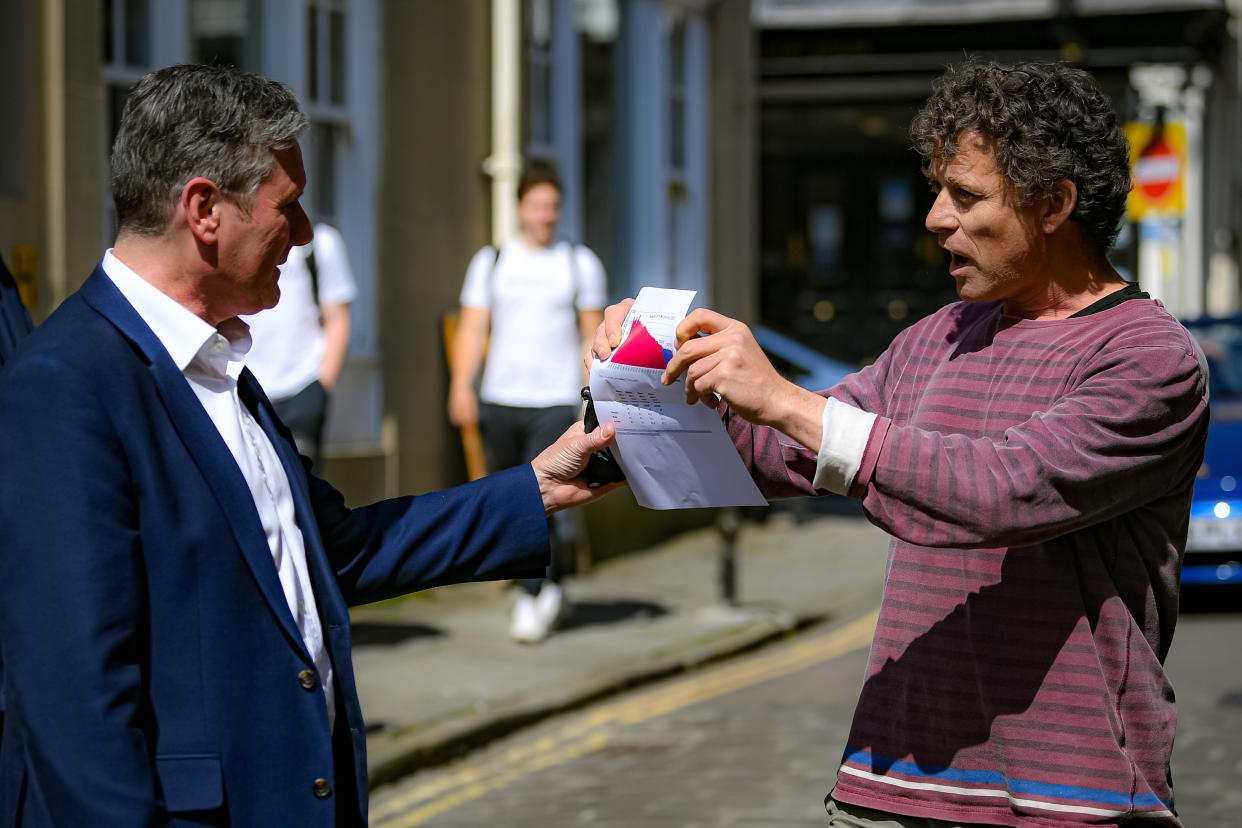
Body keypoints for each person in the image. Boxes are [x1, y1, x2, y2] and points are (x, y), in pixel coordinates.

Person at [0, 63, 618, 828]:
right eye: (286, 208)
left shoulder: (219, 365)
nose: (300, 236)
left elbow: (334, 550)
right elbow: (75, 705)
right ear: (204, 210)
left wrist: (538, 488)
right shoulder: (64, 383)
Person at [595, 60, 1208, 827]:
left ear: (1055, 204)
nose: (935, 218)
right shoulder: (936, 338)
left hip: (1064, 801)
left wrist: (783, 400)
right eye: (937, 192)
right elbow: (778, 452)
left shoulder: (1148, 356)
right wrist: (647, 381)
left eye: (966, 196)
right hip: (886, 788)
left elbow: (1002, 490)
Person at [448, 159, 607, 643]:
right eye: (537, 205)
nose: (545, 215)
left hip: (554, 400)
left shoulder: (579, 263)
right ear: (519, 207)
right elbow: (473, 327)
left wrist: (591, 400)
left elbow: (592, 336)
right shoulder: (492, 260)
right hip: (500, 398)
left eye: (553, 207)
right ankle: (542, 584)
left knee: (539, 498)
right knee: (511, 496)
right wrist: (461, 387)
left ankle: (536, 591)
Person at [242, 221, 356, 470]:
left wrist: (322, 385)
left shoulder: (320, 242)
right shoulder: (238, 238)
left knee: (304, 487)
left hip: (302, 386)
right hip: (246, 387)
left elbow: (337, 317)